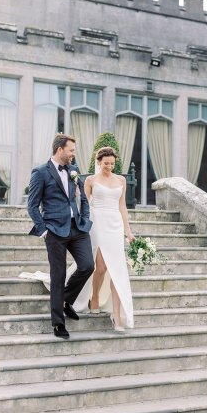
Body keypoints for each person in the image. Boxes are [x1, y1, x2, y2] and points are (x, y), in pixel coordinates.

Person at [27, 133, 94, 340]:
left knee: (87, 266)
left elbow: (82, 198)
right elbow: (32, 205)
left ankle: (65, 300)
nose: (74, 154)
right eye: (71, 150)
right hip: (55, 230)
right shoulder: (40, 172)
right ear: (60, 150)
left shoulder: (74, 170)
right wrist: (44, 229)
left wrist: (85, 217)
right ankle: (58, 323)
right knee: (58, 276)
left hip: (78, 228)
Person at [83, 146, 135, 331]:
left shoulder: (120, 180)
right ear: (99, 162)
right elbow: (84, 205)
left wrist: (128, 231)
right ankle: (95, 296)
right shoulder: (90, 180)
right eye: (106, 163)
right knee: (102, 267)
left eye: (112, 164)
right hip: (97, 223)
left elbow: (122, 206)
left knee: (117, 271)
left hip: (115, 225)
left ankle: (116, 316)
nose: (109, 167)